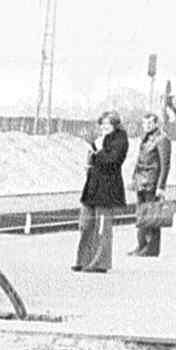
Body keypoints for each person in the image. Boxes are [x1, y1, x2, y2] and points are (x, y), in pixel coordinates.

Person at [76, 111, 129, 272]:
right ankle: (83, 260)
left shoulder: (120, 140)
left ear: (115, 125)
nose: (104, 128)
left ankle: (100, 263)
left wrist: (97, 151)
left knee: (102, 227)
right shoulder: (102, 140)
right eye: (102, 125)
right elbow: (96, 157)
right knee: (86, 225)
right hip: (93, 186)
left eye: (107, 125)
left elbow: (112, 160)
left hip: (107, 188)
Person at [130, 108, 174, 257]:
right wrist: (133, 178)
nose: (147, 126)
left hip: (152, 182)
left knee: (153, 216)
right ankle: (141, 245)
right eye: (145, 123)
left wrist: (161, 186)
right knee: (142, 215)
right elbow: (138, 160)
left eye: (150, 123)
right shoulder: (145, 139)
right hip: (142, 181)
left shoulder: (162, 139)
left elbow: (165, 164)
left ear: (156, 123)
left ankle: (151, 248)